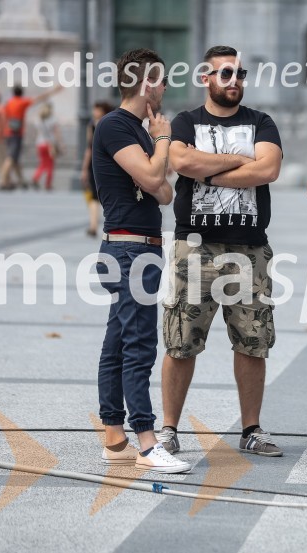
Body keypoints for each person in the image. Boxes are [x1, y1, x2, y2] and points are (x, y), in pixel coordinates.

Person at [156, 46, 284, 458]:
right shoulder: (186, 121)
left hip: (250, 249)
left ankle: (251, 429)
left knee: (252, 341)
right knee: (181, 340)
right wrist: (236, 161)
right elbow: (179, 161)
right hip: (194, 248)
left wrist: (207, 166)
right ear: (205, 78)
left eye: (240, 74)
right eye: (226, 74)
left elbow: (268, 169)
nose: (235, 82)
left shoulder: (261, 121)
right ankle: (169, 430)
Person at [93, 48, 189, 473]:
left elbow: (165, 194)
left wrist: (155, 156)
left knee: (118, 340)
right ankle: (148, 444)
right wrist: (163, 140)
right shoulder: (117, 126)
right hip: (129, 249)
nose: (166, 88)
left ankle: (114, 436)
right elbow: (154, 179)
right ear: (148, 83)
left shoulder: (140, 131)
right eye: (163, 80)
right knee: (139, 344)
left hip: (141, 247)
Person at [0, 84, 63, 190]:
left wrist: (2, 131)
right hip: (16, 134)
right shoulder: (21, 102)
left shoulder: (9, 103)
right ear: (21, 93)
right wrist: (54, 90)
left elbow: (3, 117)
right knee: (11, 158)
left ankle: (21, 180)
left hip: (8, 132)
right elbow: (39, 98)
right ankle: (3, 180)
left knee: (15, 157)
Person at [81, 101, 115, 236]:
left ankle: (99, 226)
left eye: (97, 110)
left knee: (105, 196)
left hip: (107, 163)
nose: (94, 112)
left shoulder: (109, 124)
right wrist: (84, 168)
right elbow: (89, 148)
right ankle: (93, 226)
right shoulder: (92, 125)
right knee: (94, 196)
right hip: (94, 164)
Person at [31, 103, 60, 190]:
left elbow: (37, 132)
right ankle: (48, 184)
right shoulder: (53, 119)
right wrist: (60, 143)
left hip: (40, 143)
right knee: (50, 164)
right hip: (50, 144)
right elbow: (57, 133)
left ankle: (36, 177)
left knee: (43, 162)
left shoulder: (38, 120)